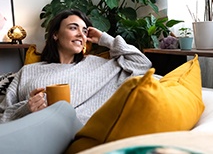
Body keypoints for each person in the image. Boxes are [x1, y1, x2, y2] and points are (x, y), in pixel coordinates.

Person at [0, 9, 152, 124]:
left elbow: (141, 64)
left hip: (81, 131)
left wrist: (104, 39)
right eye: (73, 28)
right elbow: (3, 116)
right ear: (55, 35)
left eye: (84, 31)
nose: (81, 34)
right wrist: (27, 109)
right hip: (34, 129)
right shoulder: (29, 71)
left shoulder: (101, 66)